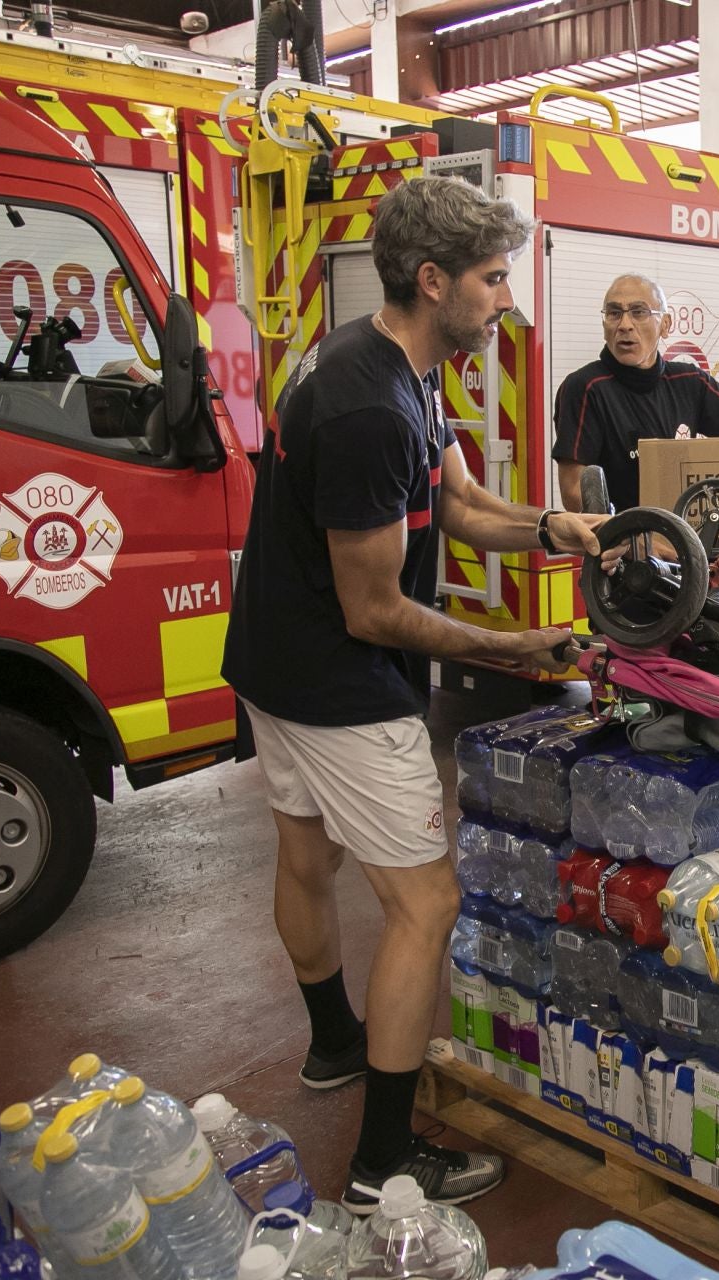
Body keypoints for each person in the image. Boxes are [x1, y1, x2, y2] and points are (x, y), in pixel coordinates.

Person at [221, 177, 606, 1213]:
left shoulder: (398, 363)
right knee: (424, 901)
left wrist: (549, 527)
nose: (506, 299)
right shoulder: (367, 409)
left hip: (271, 656)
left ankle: (336, 1043)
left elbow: (466, 502)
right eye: (491, 280)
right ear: (433, 280)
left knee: (304, 852)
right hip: (336, 682)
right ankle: (384, 1161)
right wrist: (516, 647)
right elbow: (376, 609)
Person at [552, 274, 719, 513]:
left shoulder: (689, 381)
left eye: (638, 312)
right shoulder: (585, 388)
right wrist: (629, 538)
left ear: (665, 324)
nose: (624, 324)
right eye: (614, 313)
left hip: (687, 547)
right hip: (620, 556)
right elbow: (574, 492)